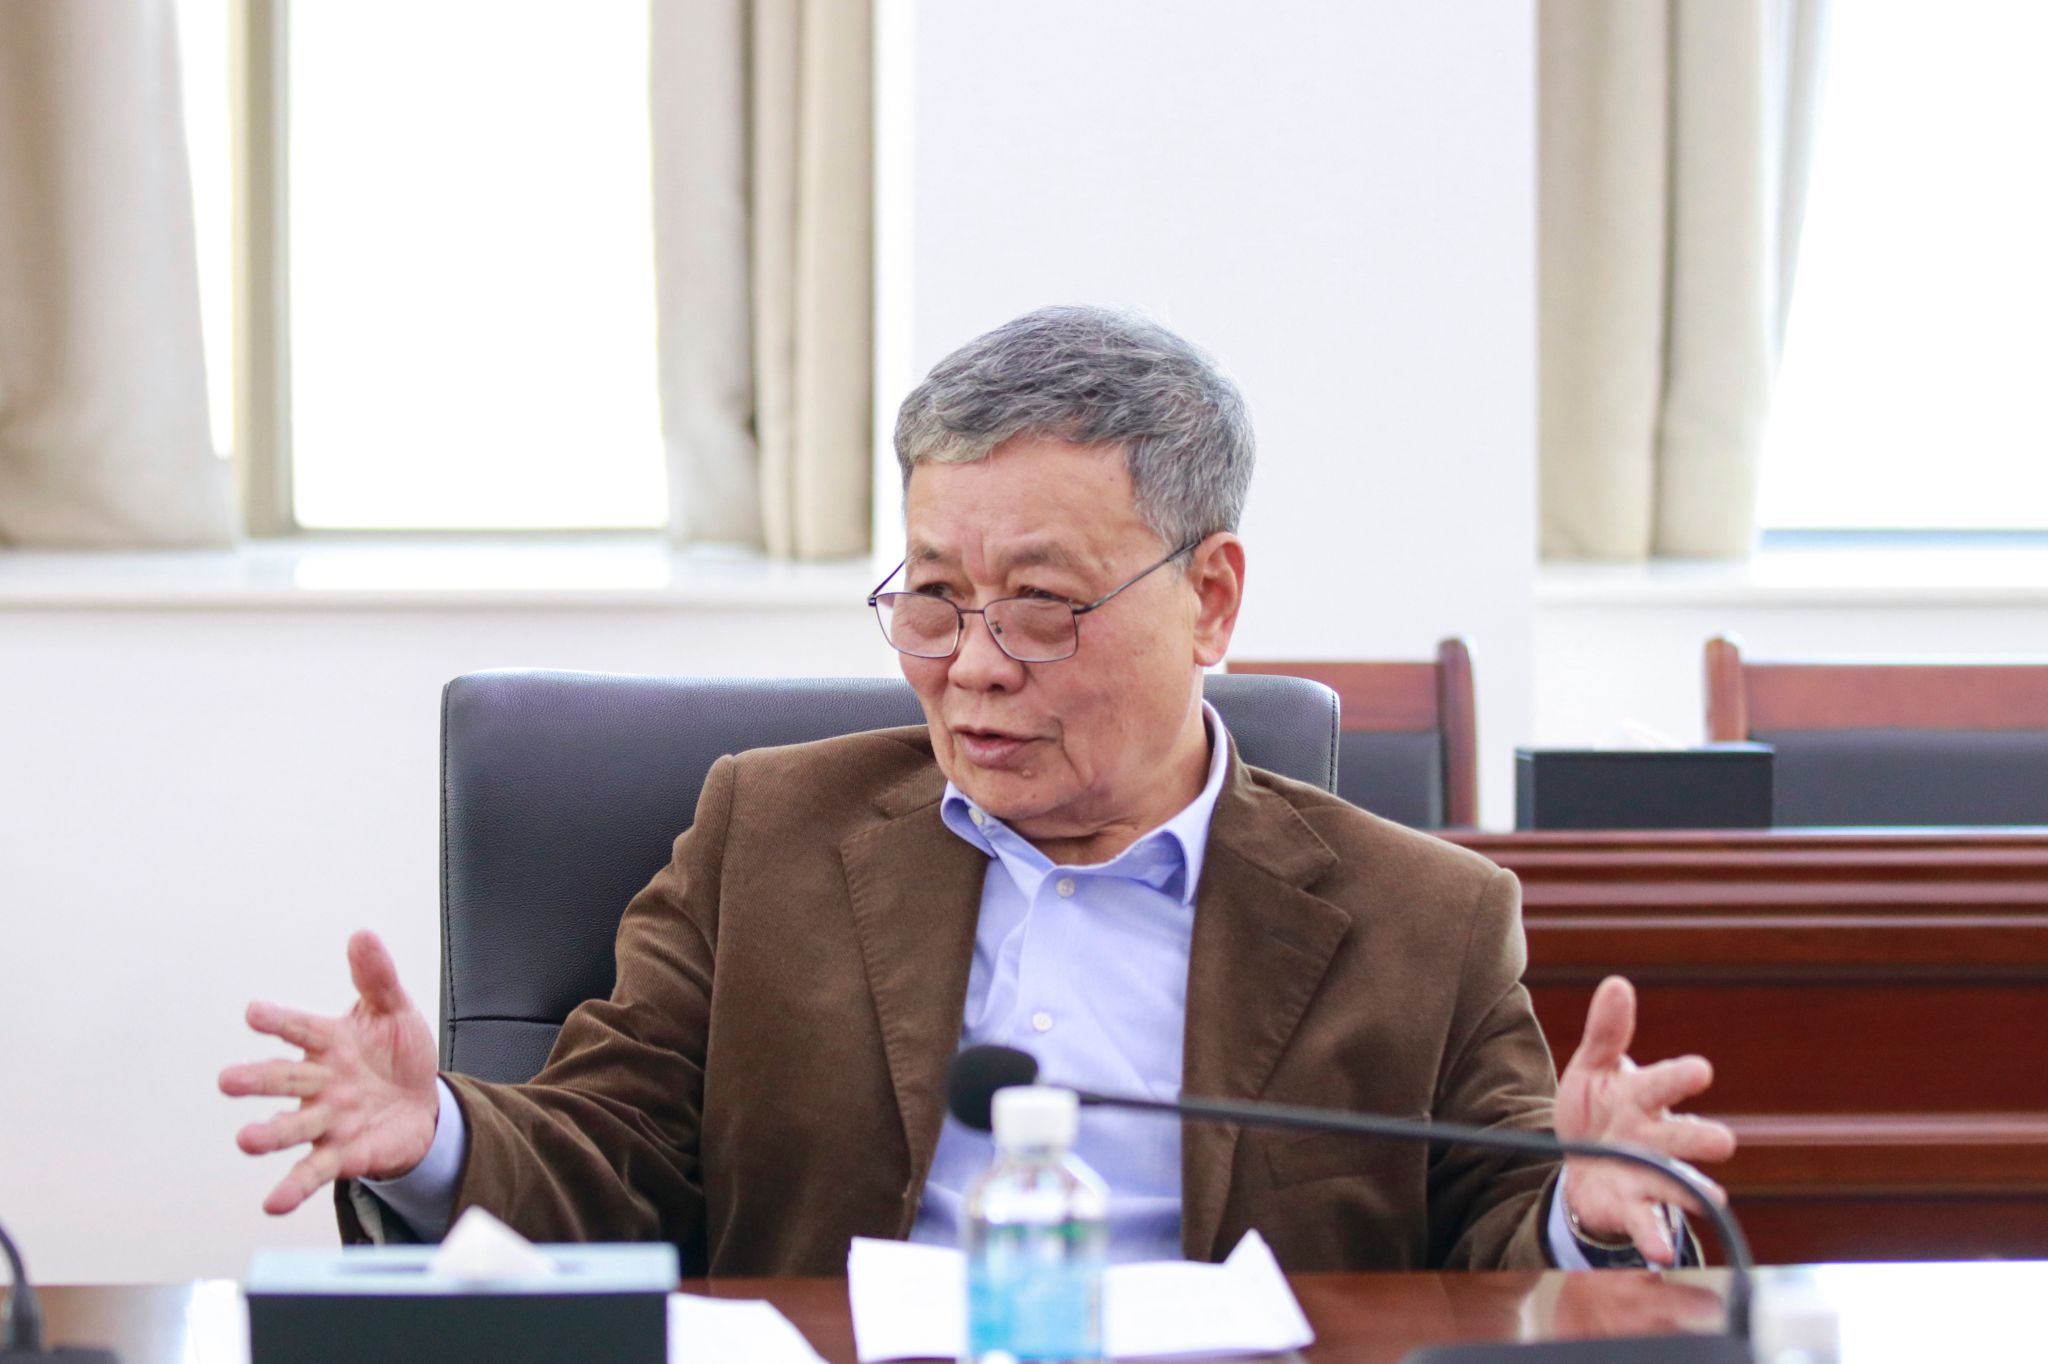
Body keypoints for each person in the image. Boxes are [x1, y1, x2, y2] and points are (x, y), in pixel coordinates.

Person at [220, 305, 1734, 1275]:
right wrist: (432, 1131)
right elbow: (607, 1159)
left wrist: (1582, 1207)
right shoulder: (768, 838)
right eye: (935, 600)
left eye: (1043, 606)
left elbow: (1492, 1233)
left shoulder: (1423, 919)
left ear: (1210, 600)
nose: (975, 668)